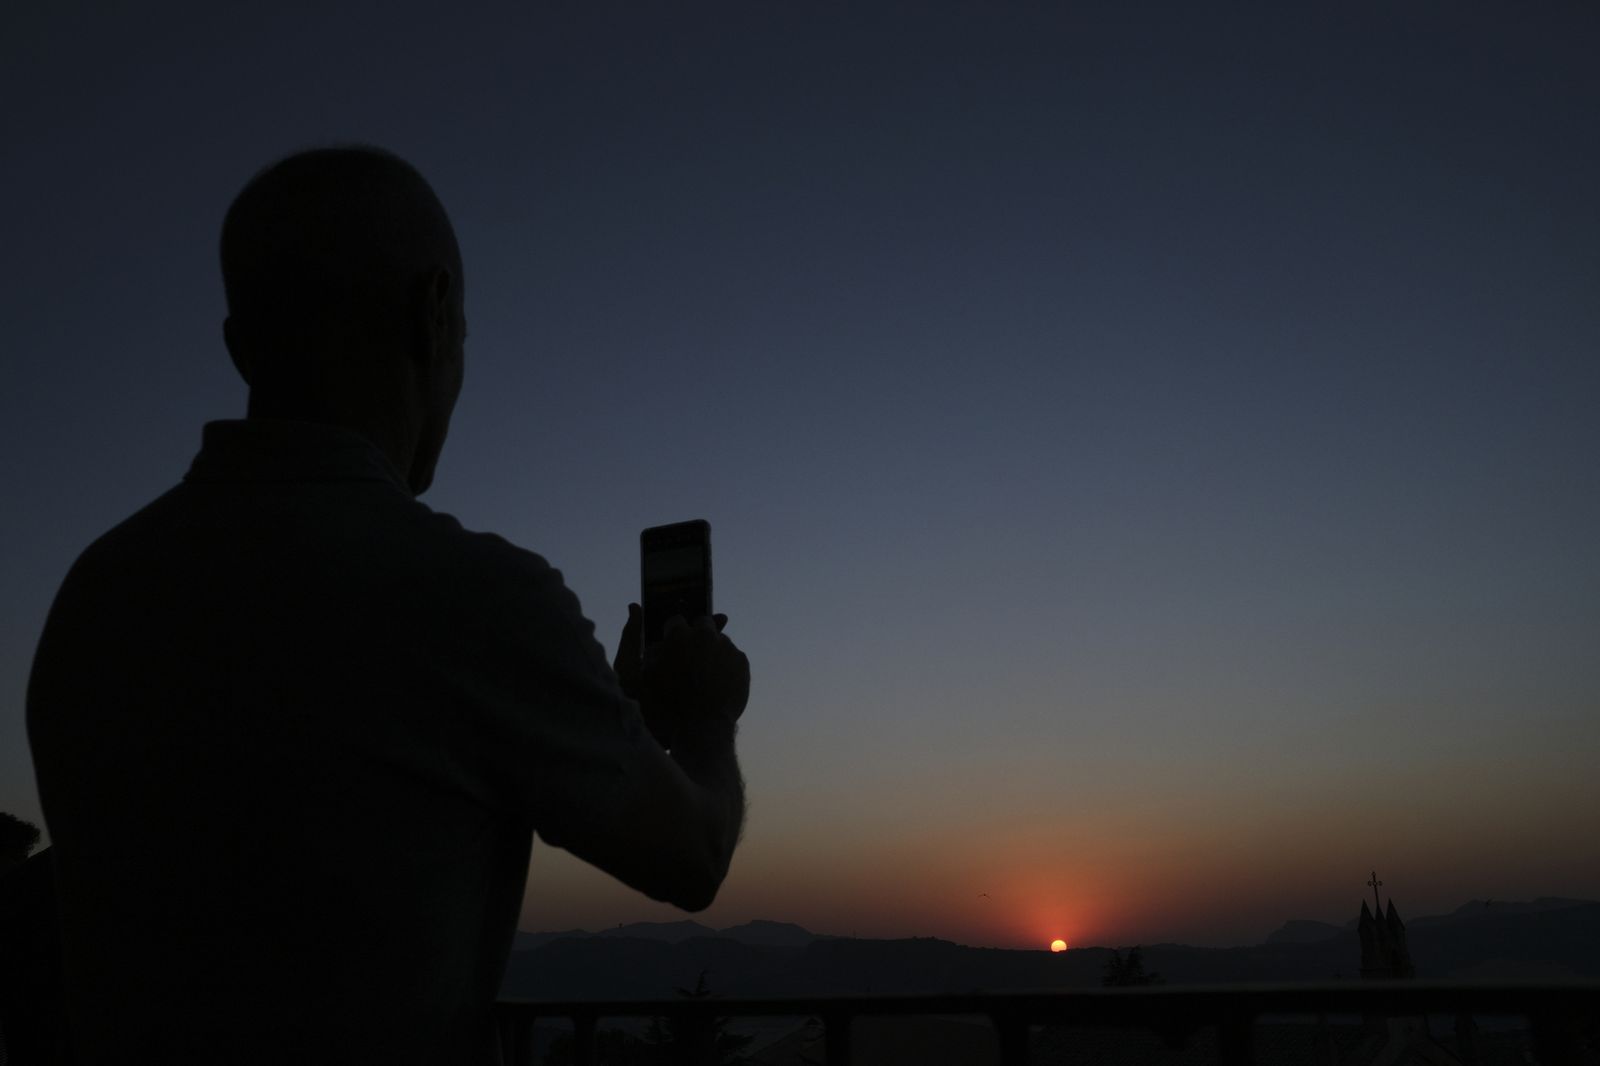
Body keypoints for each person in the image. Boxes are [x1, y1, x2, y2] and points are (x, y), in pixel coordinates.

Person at [26, 146, 750, 1064]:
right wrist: (704, 725)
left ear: (239, 346)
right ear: (434, 312)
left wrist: (596, 718)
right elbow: (692, 858)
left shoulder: (98, 596)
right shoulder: (474, 601)